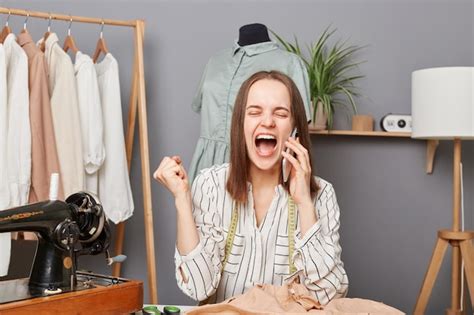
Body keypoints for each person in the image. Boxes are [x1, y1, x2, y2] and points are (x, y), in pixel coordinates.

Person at [154, 71, 348, 304]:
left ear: (295, 129)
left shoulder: (322, 195)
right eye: (255, 112)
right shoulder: (210, 185)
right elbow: (198, 288)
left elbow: (329, 295)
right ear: (240, 125)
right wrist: (182, 200)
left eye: (281, 113)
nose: (267, 121)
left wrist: (305, 203)